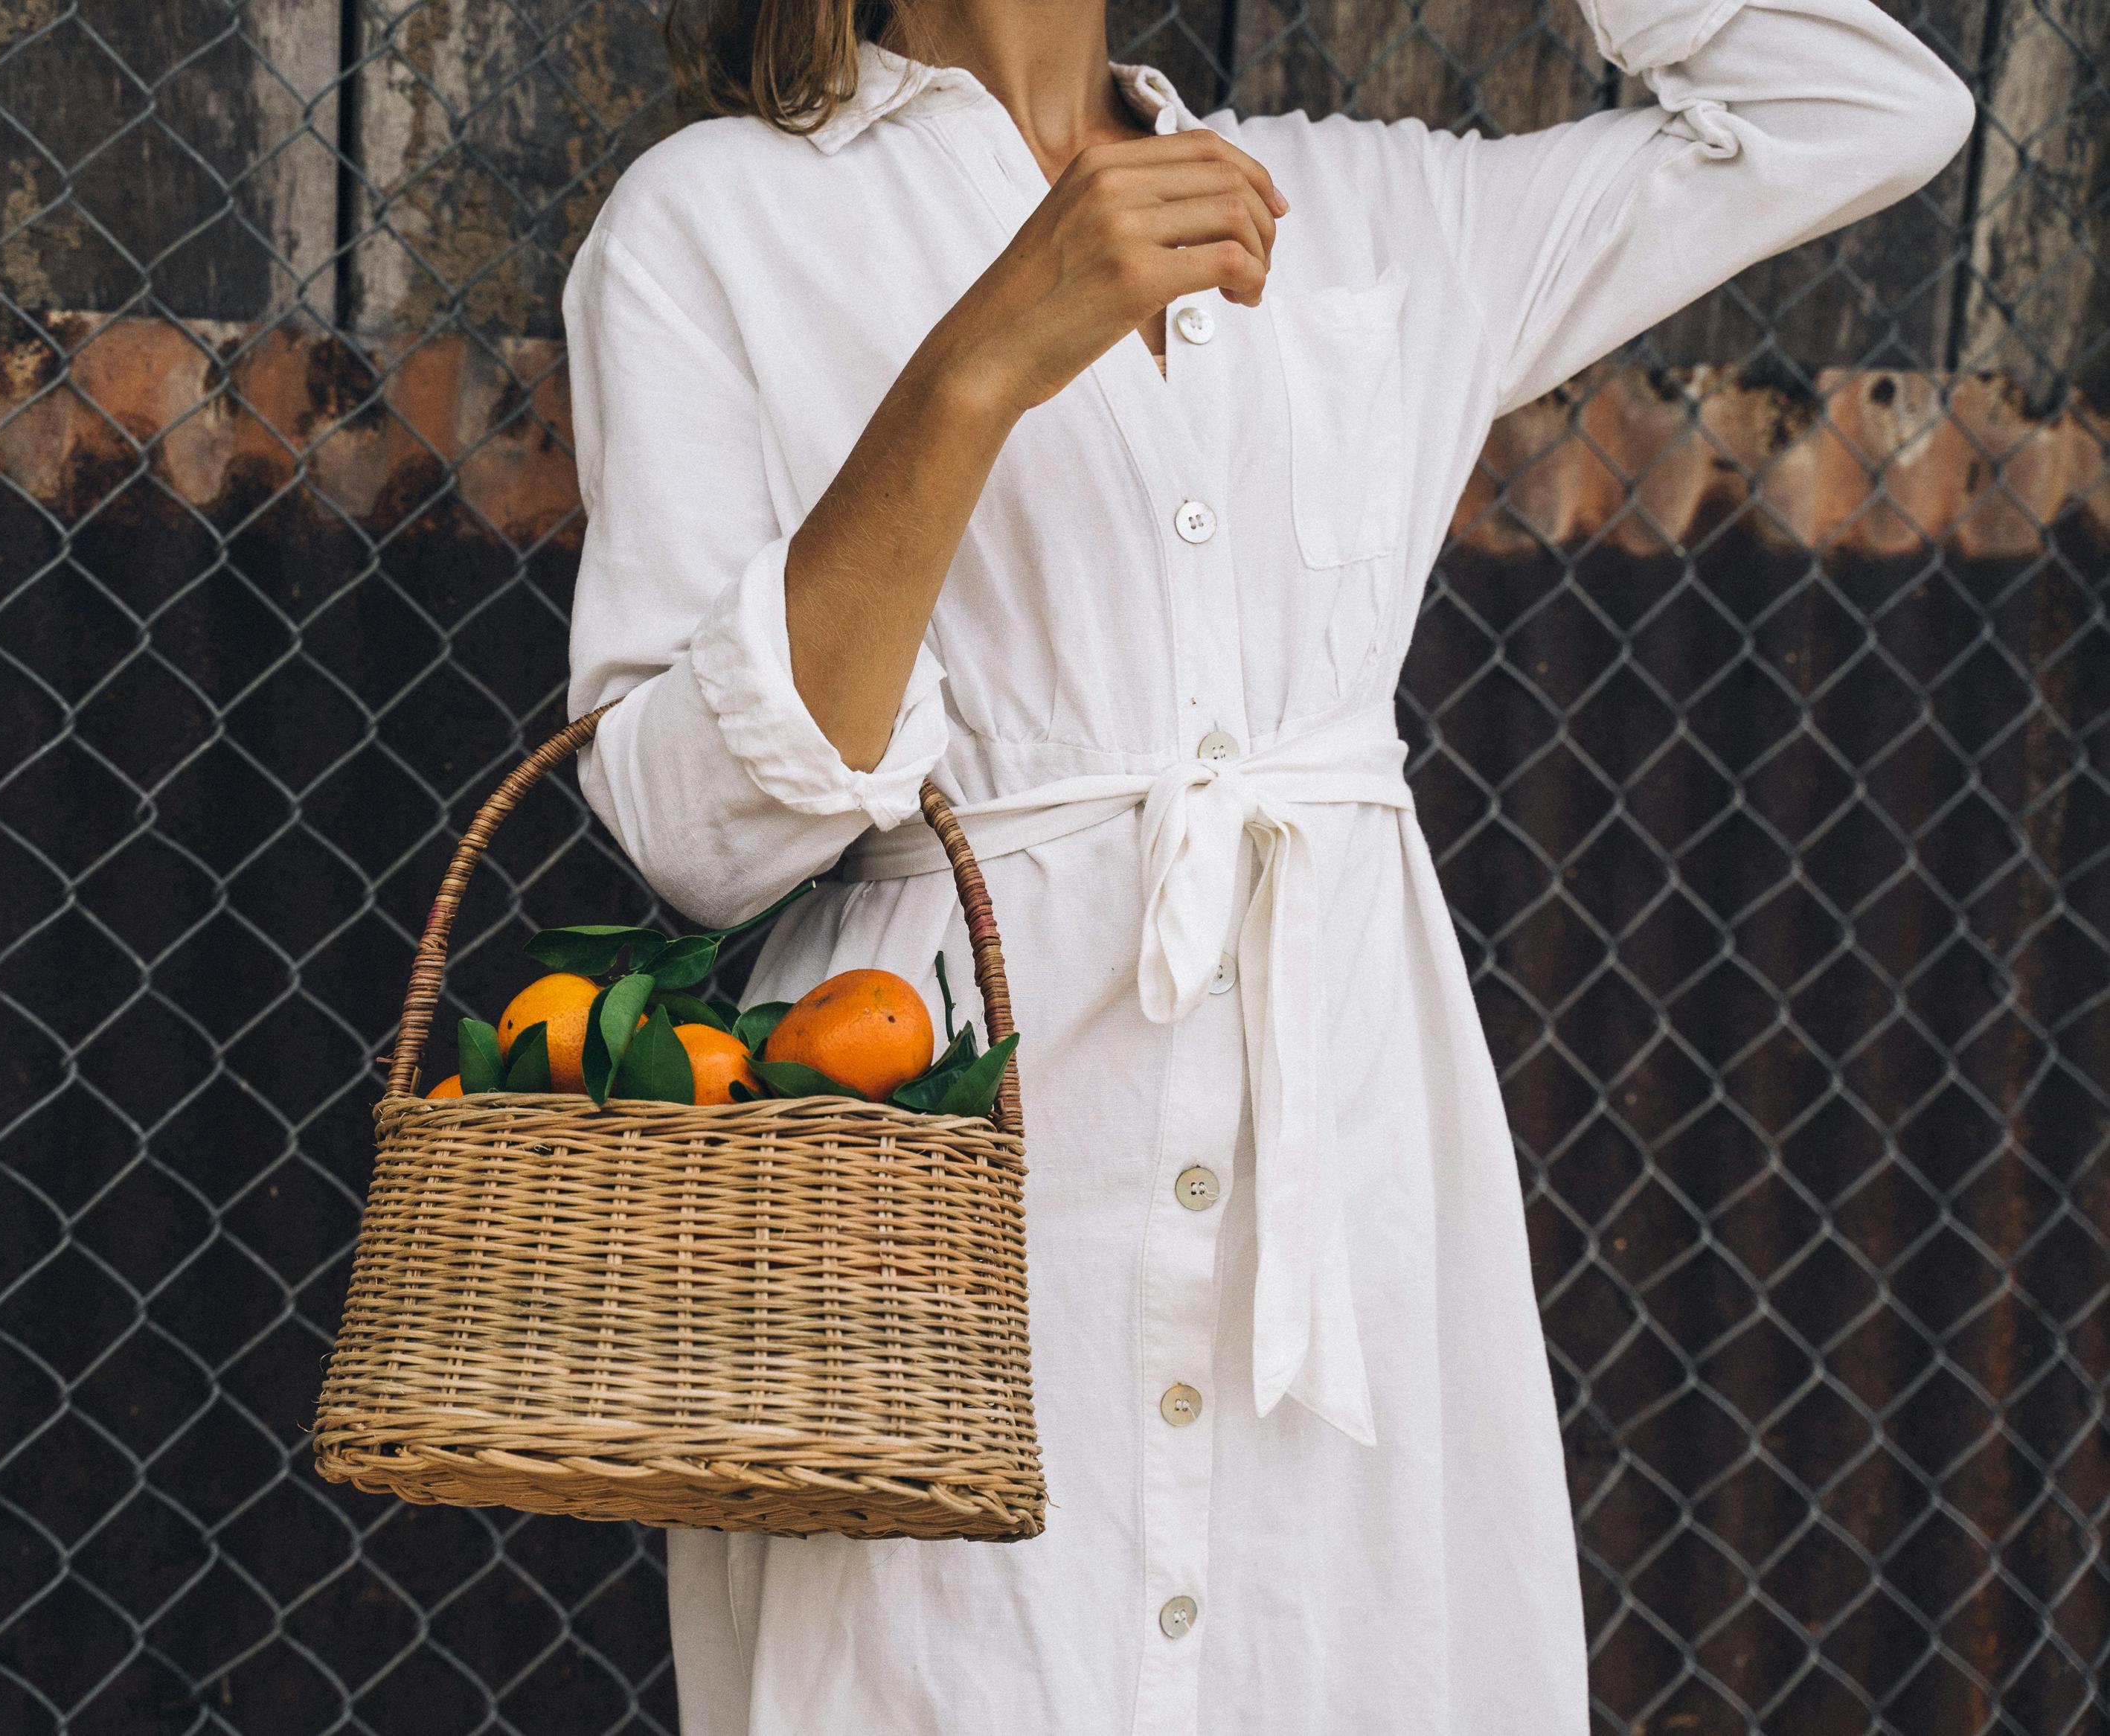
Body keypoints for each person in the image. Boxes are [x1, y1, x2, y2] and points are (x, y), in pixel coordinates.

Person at [559, 0, 1972, 1726]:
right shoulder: (715, 219)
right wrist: (980, 365)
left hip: (1344, 1197)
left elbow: (1869, 106)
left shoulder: (1365, 210)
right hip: (936, 1223)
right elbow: (696, 830)